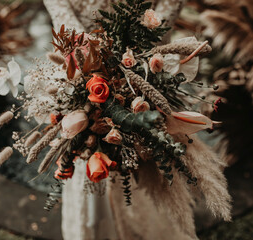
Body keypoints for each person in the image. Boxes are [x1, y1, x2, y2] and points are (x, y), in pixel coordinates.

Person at [43, 1, 192, 239]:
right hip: (79, 68)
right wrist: (90, 61)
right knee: (87, 153)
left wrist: (133, 61)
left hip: (146, 66)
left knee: (147, 156)